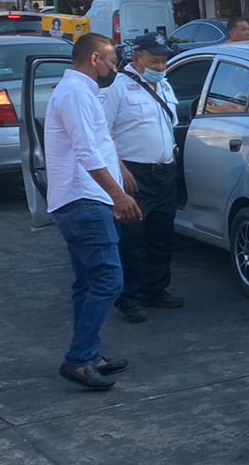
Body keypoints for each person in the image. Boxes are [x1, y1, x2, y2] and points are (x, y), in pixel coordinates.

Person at [45, 33, 142, 391]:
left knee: (88, 282)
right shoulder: (74, 94)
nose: (115, 66)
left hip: (84, 198)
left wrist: (120, 172)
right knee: (107, 280)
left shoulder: (83, 93)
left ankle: (89, 353)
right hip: (83, 200)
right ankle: (79, 359)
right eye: (112, 59)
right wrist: (118, 195)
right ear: (95, 59)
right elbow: (86, 152)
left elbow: (99, 144)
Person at [105, 35, 184, 325]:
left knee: (161, 236)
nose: (161, 65)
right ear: (137, 58)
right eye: (154, 61)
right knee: (132, 239)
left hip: (163, 170)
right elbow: (103, 132)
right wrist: (120, 169)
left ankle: (157, 289)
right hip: (134, 174)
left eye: (163, 60)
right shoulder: (117, 87)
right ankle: (130, 298)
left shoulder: (162, 84)